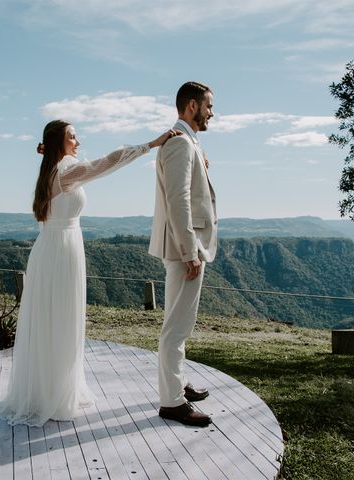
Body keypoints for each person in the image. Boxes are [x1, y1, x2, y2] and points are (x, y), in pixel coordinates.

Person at [0, 120, 179, 426]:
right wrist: (150, 144)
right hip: (61, 250)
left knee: (54, 319)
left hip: (55, 247)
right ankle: (53, 394)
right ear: (60, 142)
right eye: (72, 137)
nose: (77, 141)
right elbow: (107, 163)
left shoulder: (53, 169)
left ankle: (49, 389)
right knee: (60, 318)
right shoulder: (65, 172)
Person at [148, 81, 218, 427]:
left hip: (182, 247)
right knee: (176, 326)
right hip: (183, 249)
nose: (212, 112)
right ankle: (172, 402)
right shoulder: (179, 144)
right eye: (208, 106)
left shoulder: (187, 142)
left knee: (178, 322)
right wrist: (191, 251)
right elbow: (179, 201)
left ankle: (178, 384)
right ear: (191, 106)